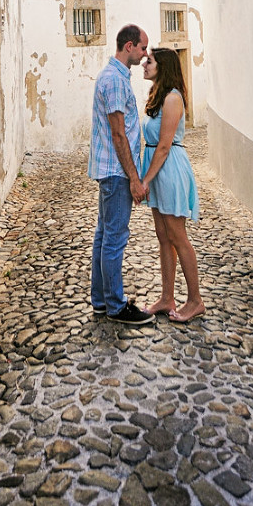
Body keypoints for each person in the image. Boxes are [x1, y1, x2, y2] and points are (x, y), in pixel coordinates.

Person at [89, 24, 155, 326]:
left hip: (110, 171)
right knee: (114, 239)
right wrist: (134, 178)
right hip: (117, 173)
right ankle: (116, 306)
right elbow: (119, 135)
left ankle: (101, 301)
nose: (145, 55)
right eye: (142, 48)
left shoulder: (111, 76)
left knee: (104, 236)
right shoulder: (115, 81)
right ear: (129, 46)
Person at [139, 47, 205, 323]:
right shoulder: (159, 96)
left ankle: (195, 300)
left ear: (162, 66)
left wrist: (144, 180)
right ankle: (167, 297)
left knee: (178, 235)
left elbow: (164, 146)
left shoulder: (173, 99)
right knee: (162, 235)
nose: (144, 63)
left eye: (149, 60)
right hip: (157, 168)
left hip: (168, 169)